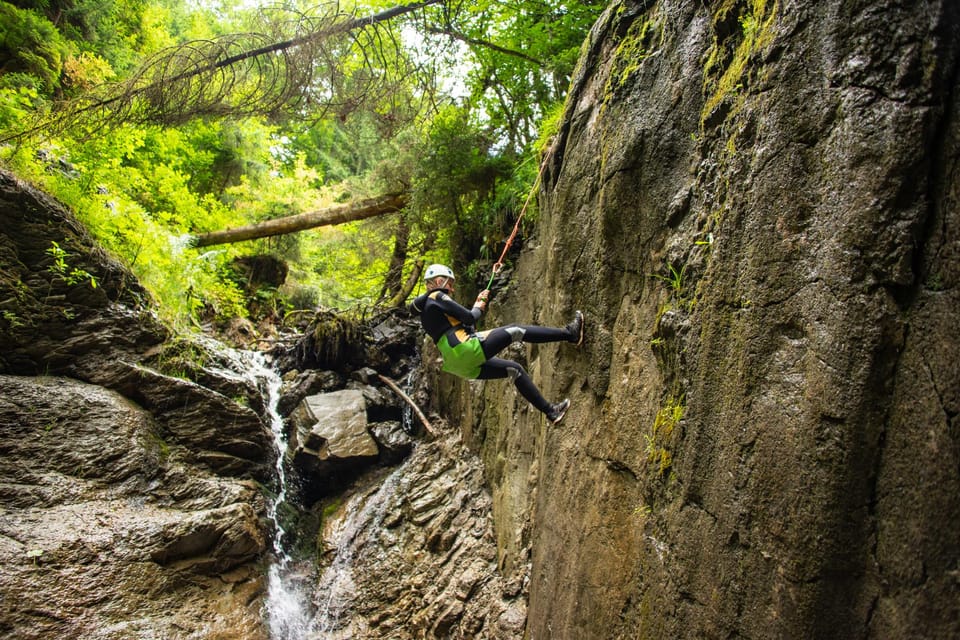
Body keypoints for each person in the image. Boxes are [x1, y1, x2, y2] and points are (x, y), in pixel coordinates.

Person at [410, 263, 583, 424]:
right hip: (463, 347)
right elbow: (471, 317)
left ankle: (551, 412)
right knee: (515, 330)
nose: (452, 289)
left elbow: (463, 324)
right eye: (450, 284)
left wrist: (478, 304)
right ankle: (570, 334)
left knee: (515, 369)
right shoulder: (436, 295)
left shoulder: (424, 308)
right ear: (440, 281)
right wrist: (479, 305)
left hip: (457, 364)